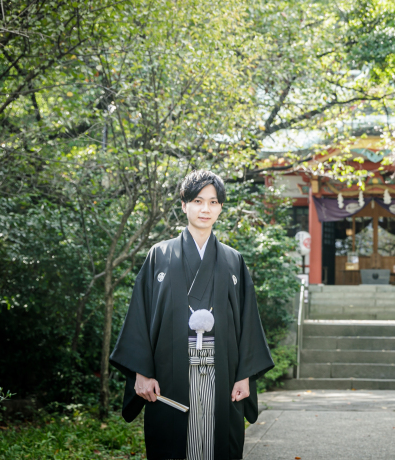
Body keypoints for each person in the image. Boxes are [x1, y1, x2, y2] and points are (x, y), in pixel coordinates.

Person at [110, 170, 274, 460]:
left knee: (218, 445)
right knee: (170, 445)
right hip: (168, 372)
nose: (205, 209)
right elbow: (139, 316)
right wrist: (141, 372)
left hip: (223, 373)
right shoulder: (159, 255)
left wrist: (244, 376)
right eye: (198, 201)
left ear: (220, 208)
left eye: (213, 202)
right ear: (184, 205)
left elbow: (248, 324)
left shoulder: (233, 260)